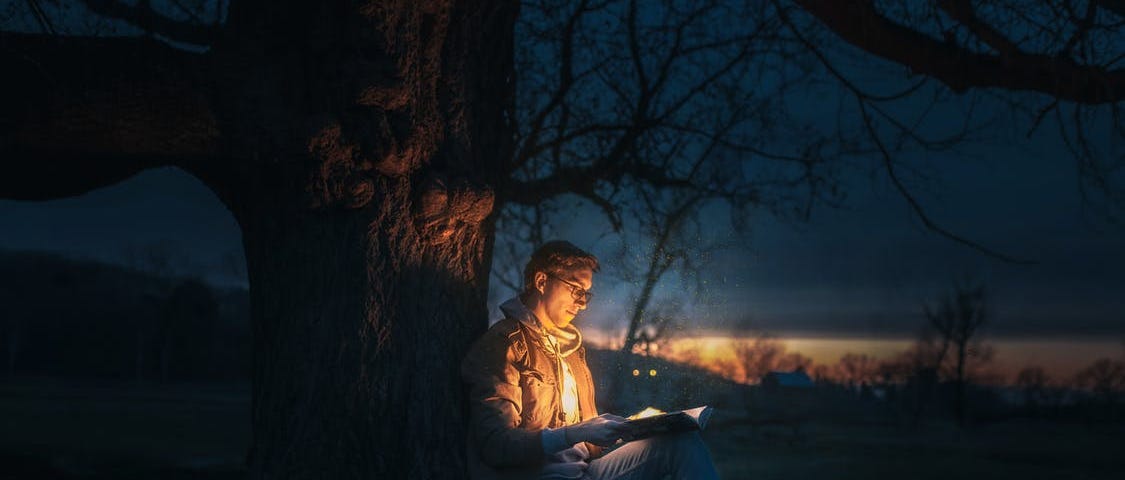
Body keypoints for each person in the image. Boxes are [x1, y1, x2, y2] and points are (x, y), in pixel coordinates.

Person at [461, 240, 720, 480]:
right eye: (575, 289)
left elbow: (590, 445)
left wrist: (630, 427)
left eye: (586, 294)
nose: (582, 303)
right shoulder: (504, 344)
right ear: (541, 281)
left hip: (586, 473)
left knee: (681, 444)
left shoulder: (572, 352)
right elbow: (496, 445)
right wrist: (576, 432)